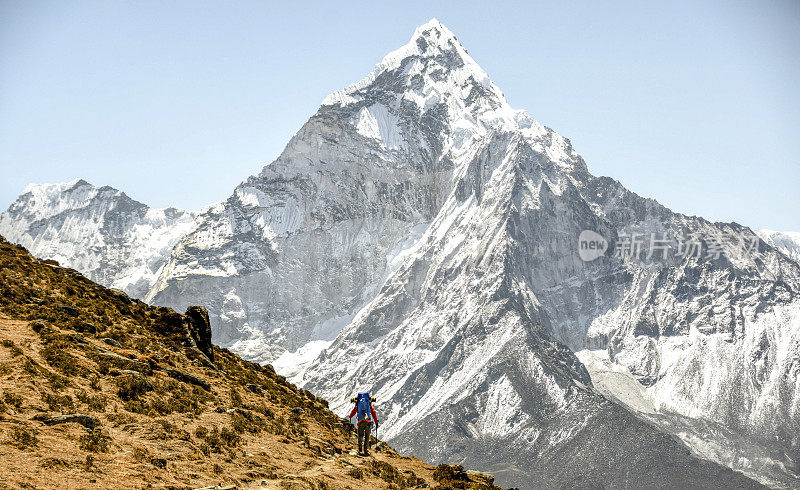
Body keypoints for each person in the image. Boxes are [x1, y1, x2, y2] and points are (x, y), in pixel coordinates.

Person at [349, 391, 378, 456]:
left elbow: (354, 411)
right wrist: (376, 422)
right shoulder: (369, 404)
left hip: (360, 421)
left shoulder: (358, 404)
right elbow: (373, 412)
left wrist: (350, 416)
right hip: (368, 422)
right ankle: (365, 450)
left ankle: (359, 449)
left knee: (360, 435)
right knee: (367, 436)